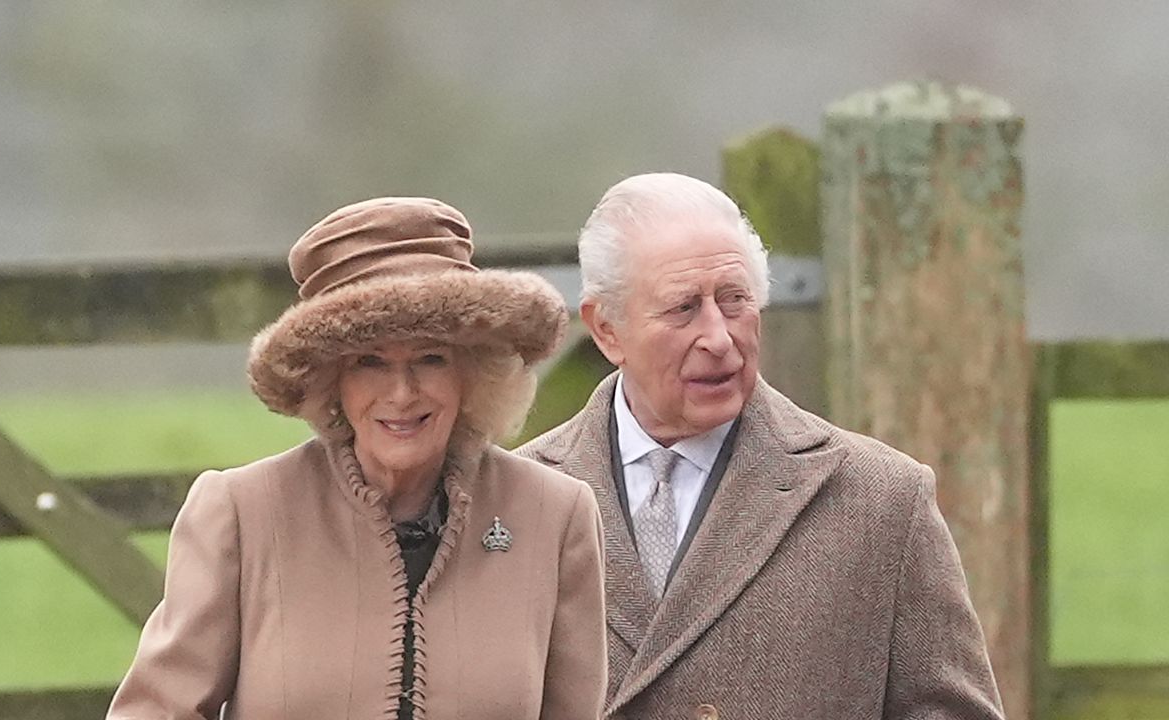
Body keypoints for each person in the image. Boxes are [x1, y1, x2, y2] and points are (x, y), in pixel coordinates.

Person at [516, 173, 1004, 720]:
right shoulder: (517, 501)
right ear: (606, 329)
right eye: (683, 309)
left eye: (734, 301)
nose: (720, 338)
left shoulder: (880, 501)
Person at [108, 197, 606, 720]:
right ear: (330, 380)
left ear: (473, 371)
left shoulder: (555, 514)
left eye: (430, 358)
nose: (402, 393)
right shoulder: (241, 513)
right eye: (370, 362)